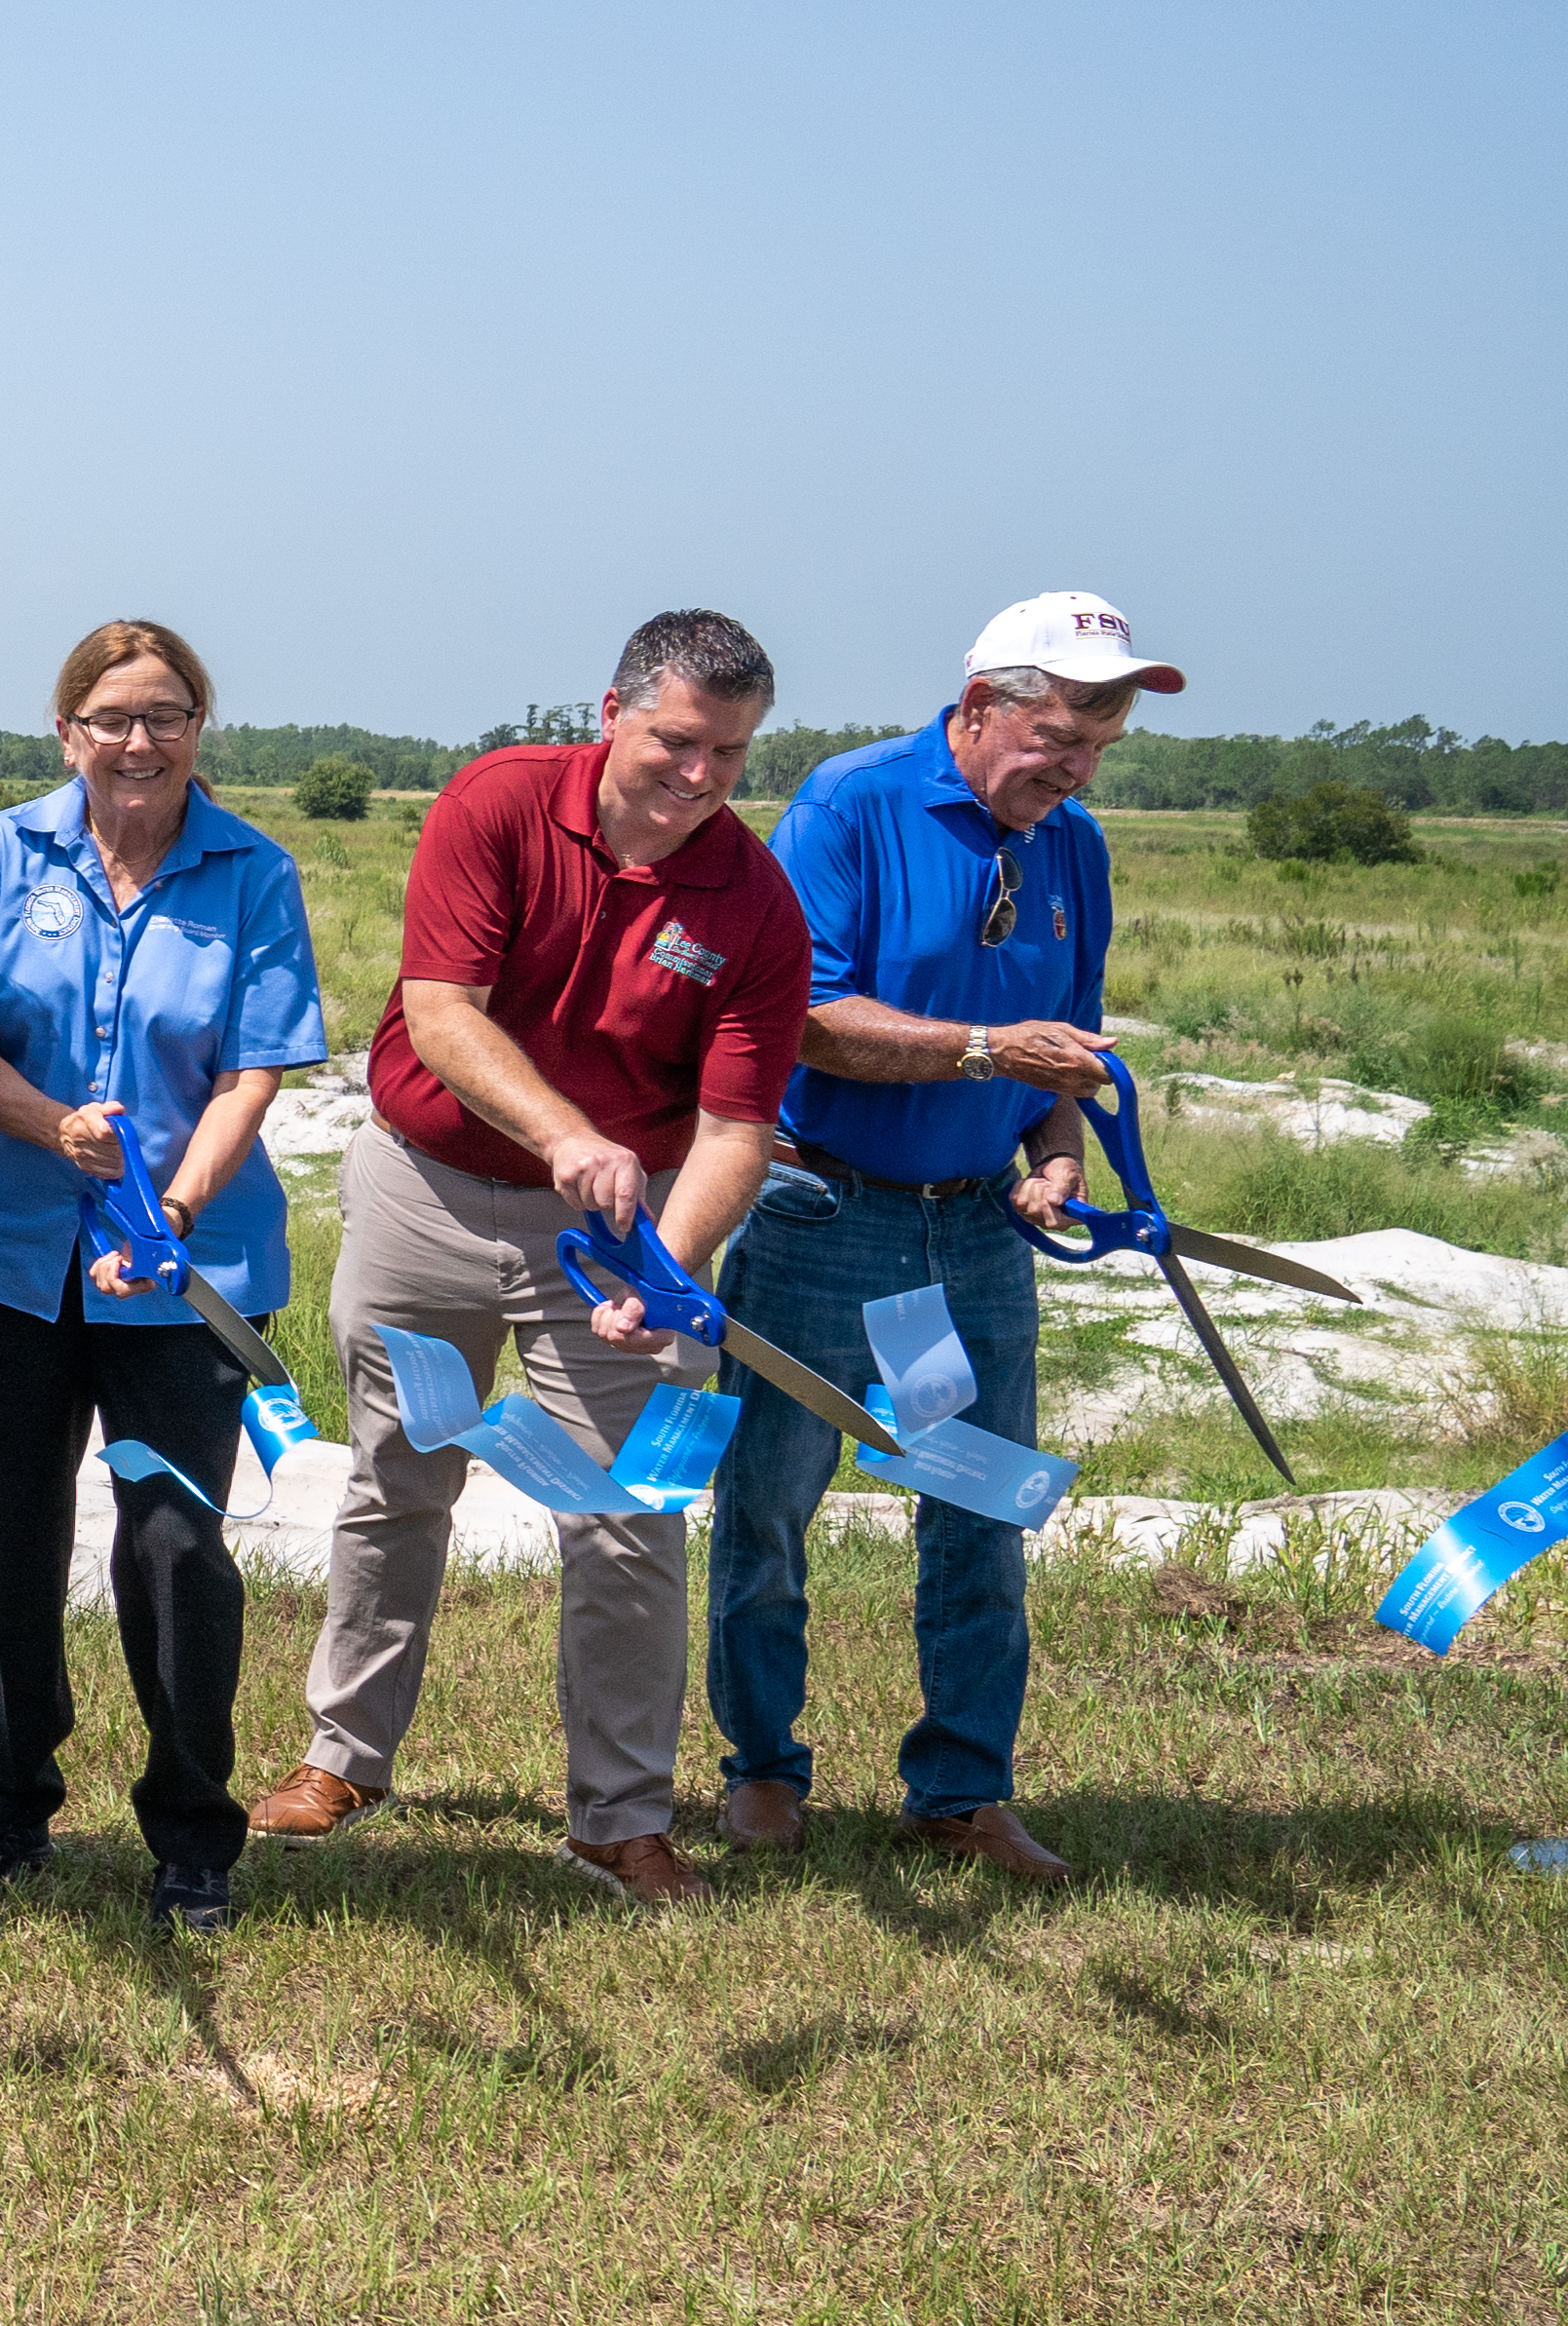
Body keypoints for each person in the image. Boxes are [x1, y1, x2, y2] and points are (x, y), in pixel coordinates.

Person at [259, 611, 810, 1907]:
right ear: (610, 712)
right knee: (397, 1477)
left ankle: (618, 1817)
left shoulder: (753, 901)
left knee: (628, 1516)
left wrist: (664, 1271)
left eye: (730, 754)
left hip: (631, 1227)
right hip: (429, 1191)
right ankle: (345, 1757)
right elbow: (443, 1014)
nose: (701, 777)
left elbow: (738, 1130)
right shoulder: (495, 804)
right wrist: (565, 1135)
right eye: (678, 741)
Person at [698, 593, 1175, 1887]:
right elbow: (801, 1015)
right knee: (772, 1512)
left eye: (1099, 741)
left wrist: (1057, 1155)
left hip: (972, 1240)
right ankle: (760, 1771)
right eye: (1058, 730)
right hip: (822, 1216)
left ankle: (961, 1791)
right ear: (979, 707)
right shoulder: (851, 804)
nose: (1076, 764)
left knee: (979, 1514)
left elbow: (1067, 1047)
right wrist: (980, 1052)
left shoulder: (1072, 847)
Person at [0, 622, 330, 1932]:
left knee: (174, 1544)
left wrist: (180, 1205)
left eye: (169, 715)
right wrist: (52, 1128)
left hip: (186, 1270)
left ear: (201, 727)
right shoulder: (4, 851)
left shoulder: (252, 870)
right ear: (68, 731)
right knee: (10, 1536)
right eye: (114, 717)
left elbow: (253, 1069)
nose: (140, 742)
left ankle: (194, 1830)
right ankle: (14, 1799)